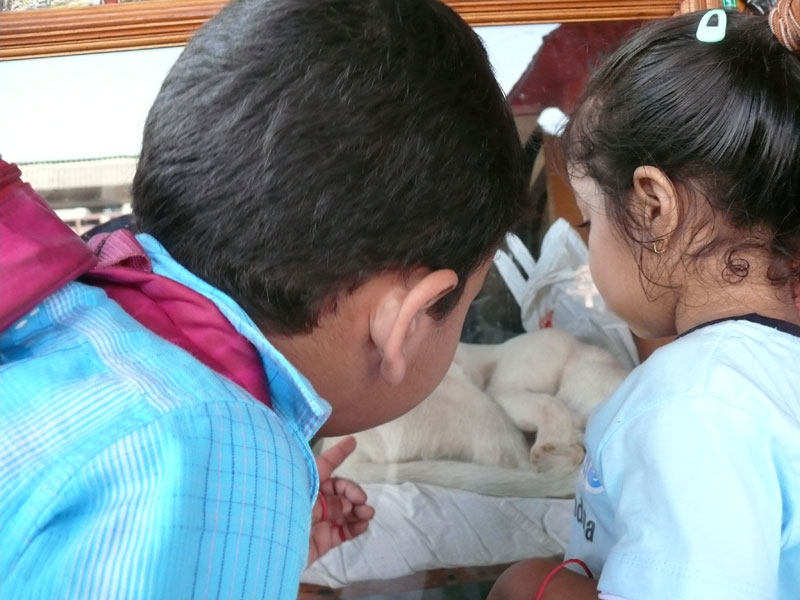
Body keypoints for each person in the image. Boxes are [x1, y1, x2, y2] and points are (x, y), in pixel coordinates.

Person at [0, 0, 528, 597]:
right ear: (404, 321)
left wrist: (245, 554)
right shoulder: (216, 455)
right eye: (467, 303)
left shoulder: (70, 314)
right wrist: (241, 502)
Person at [489, 4, 800, 600]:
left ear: (653, 207)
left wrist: (535, 587)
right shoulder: (759, 380)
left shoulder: (693, 405)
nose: (588, 245)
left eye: (588, 222)